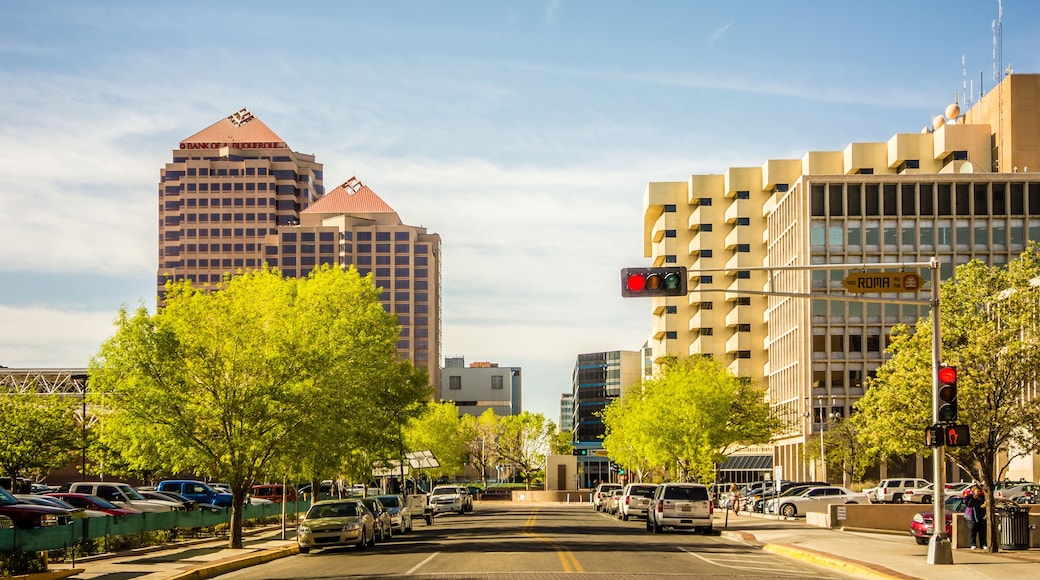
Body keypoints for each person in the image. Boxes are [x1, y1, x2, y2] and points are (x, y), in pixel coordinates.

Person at [964, 485, 987, 549]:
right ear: (973, 491)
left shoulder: (981, 497)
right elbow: (968, 504)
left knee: (982, 530)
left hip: (980, 516)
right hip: (971, 516)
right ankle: (972, 544)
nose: (979, 492)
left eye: (979, 491)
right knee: (972, 529)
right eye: (977, 491)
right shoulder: (970, 497)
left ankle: (983, 544)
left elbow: (983, 505)